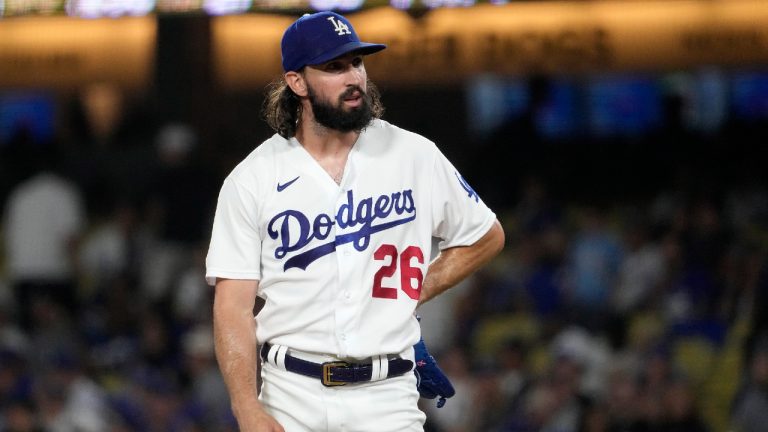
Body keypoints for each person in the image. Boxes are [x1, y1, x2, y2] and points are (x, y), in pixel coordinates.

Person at [206, 11, 505, 432]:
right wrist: (246, 406)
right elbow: (232, 308)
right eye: (334, 67)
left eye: (357, 63)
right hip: (291, 394)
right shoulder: (253, 179)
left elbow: (484, 236)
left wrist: (417, 287)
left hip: (387, 396)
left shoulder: (413, 154)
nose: (353, 78)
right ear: (297, 82)